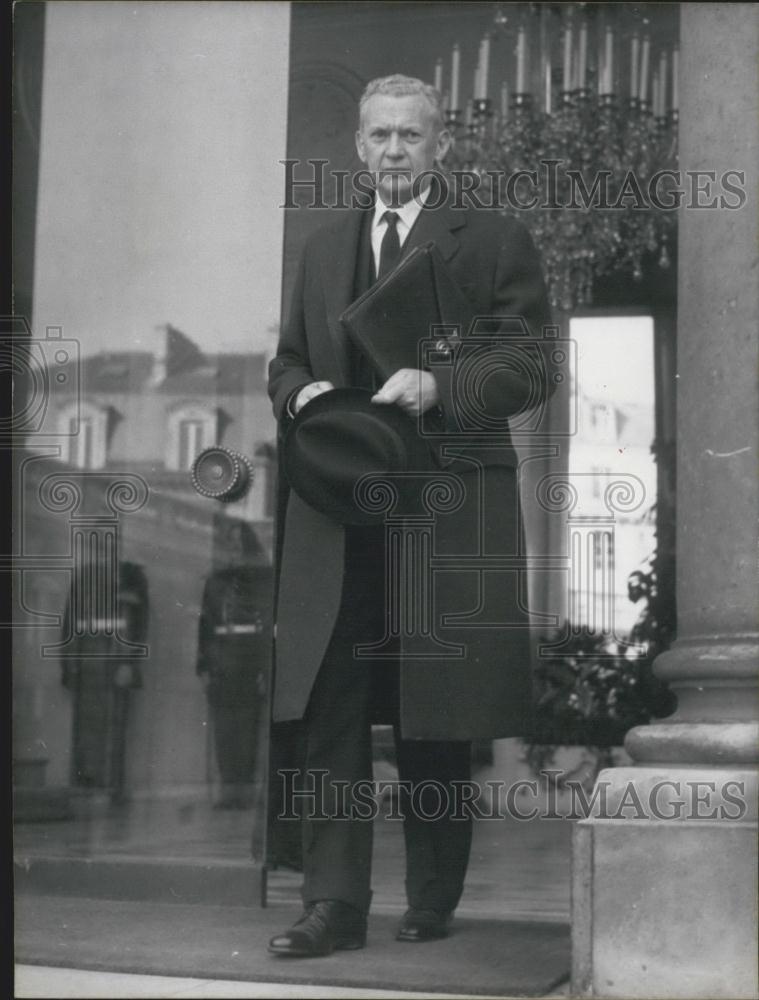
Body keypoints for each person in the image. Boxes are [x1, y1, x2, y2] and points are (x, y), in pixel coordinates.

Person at [267, 74, 553, 957]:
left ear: (440, 148)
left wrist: (441, 385)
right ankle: (333, 906)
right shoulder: (318, 249)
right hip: (337, 509)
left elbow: (533, 365)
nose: (394, 151)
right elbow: (281, 363)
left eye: (411, 136)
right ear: (357, 146)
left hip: (442, 503)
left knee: (434, 709)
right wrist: (300, 392)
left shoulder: (495, 238)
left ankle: (432, 897)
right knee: (332, 705)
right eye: (379, 136)